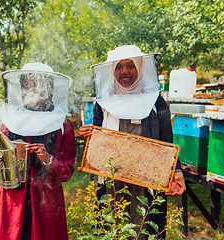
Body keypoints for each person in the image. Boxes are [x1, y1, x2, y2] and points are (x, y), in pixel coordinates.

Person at [79, 45, 186, 239]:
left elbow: (167, 140)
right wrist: (87, 135)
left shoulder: (156, 101)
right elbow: (96, 138)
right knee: (112, 224)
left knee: (144, 228)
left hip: (147, 179)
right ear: (112, 70)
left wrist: (176, 171)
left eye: (130, 66)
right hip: (112, 176)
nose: (124, 71)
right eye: (118, 67)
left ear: (139, 68)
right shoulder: (103, 102)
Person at [0, 63, 76, 240]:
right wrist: (8, 156)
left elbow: (67, 172)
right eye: (28, 85)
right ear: (21, 89)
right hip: (11, 201)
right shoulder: (10, 120)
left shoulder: (62, 123)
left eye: (39, 84)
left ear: (49, 88)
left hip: (47, 205)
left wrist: (48, 159)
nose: (33, 90)